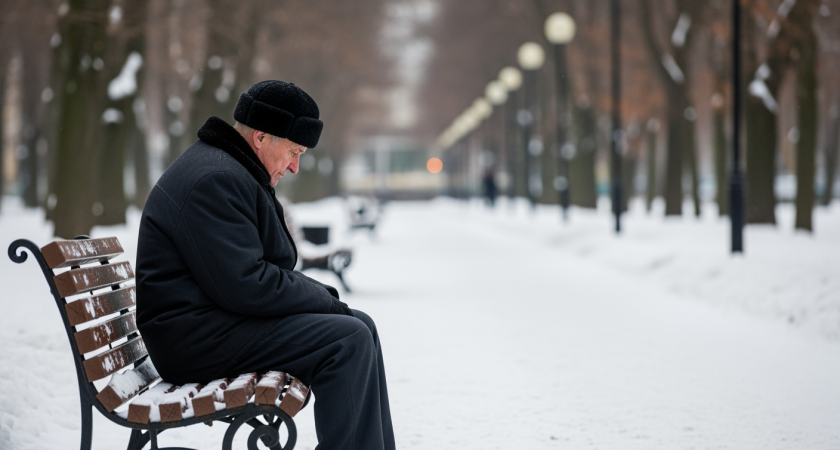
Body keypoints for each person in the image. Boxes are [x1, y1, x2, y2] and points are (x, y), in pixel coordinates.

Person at [136, 80, 395, 450]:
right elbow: (247, 284)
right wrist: (323, 299)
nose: (295, 167)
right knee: (347, 340)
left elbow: (249, 276)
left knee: (360, 326)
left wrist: (323, 300)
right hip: (194, 341)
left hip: (212, 324)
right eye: (293, 151)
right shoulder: (215, 179)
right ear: (260, 137)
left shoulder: (229, 169)